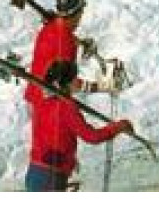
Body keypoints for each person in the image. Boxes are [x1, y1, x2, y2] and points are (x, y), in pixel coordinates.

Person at [25, 59, 135, 192]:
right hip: (50, 178)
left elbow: (53, 137)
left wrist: (69, 161)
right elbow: (91, 136)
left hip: (34, 173)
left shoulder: (41, 103)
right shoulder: (66, 107)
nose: (77, 82)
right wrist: (119, 127)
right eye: (73, 79)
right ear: (64, 84)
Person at [28, 0, 92, 102]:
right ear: (75, 15)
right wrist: (100, 86)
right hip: (47, 103)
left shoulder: (51, 26)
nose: (80, 19)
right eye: (80, 15)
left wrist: (81, 43)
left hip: (34, 93)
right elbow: (68, 82)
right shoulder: (65, 44)